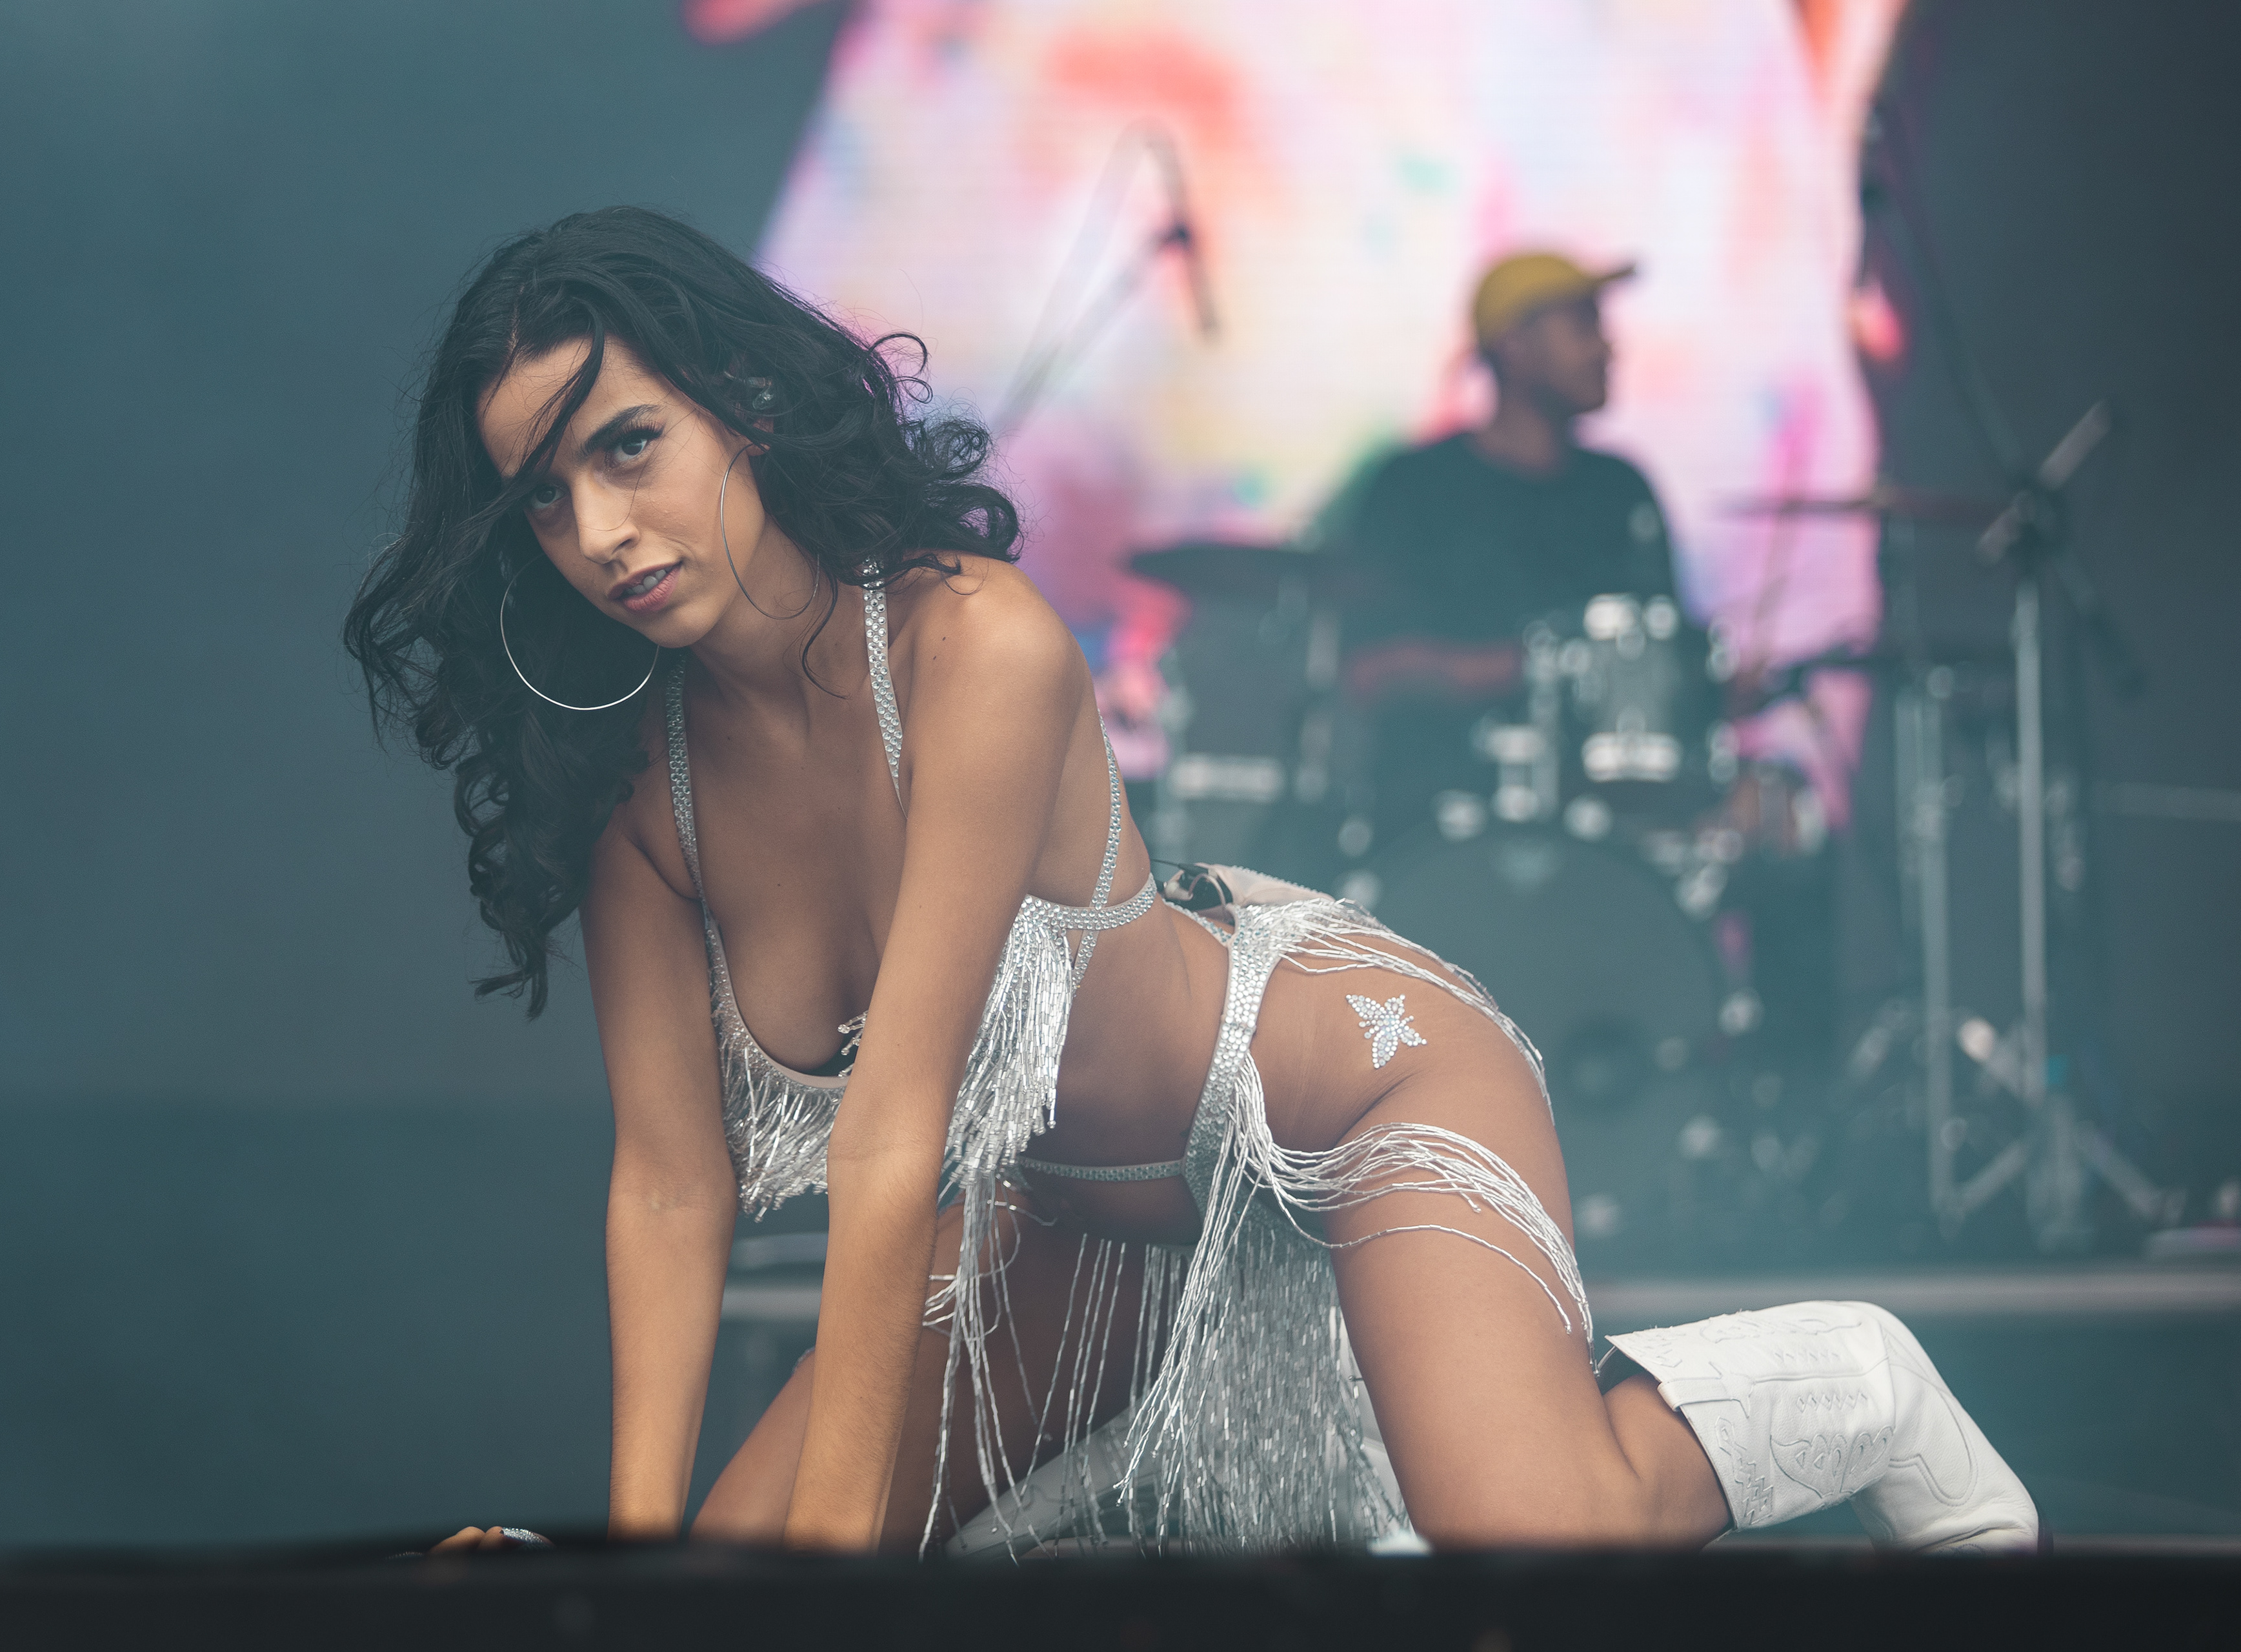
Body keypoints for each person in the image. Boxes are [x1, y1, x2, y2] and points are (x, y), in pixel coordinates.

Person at [348, 208, 2036, 1556]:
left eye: (630, 446)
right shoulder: (646, 798)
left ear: (747, 410)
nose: (601, 529)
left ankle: (1858, 1376)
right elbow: (669, 1189)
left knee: (1533, 1532)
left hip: (1340, 1096)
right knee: (721, 1564)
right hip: (1082, 1219)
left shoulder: (970, 644)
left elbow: (897, 1128)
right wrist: (641, 1568)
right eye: (546, 499)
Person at [1338, 252, 1679, 835]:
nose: (1606, 348)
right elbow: (1368, 672)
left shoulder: (1622, 491)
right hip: (1437, 820)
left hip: (1605, 822)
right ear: (1515, 346)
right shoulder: (1414, 487)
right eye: (1583, 326)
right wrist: (1548, 666)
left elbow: (1660, 658)